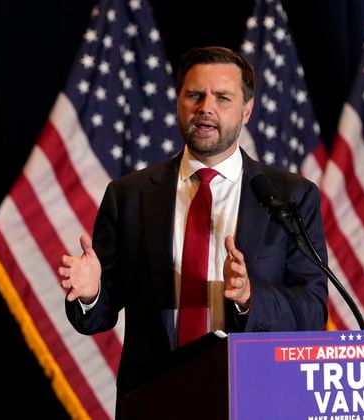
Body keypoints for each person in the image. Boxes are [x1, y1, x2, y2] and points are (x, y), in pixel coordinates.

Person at [58, 45, 328, 417]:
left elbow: (312, 313)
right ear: (178, 102)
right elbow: (100, 313)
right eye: (195, 95)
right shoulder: (129, 196)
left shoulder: (291, 196)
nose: (206, 108)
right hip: (155, 402)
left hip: (258, 401)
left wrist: (251, 297)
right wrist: (89, 294)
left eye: (223, 97)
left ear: (246, 110)